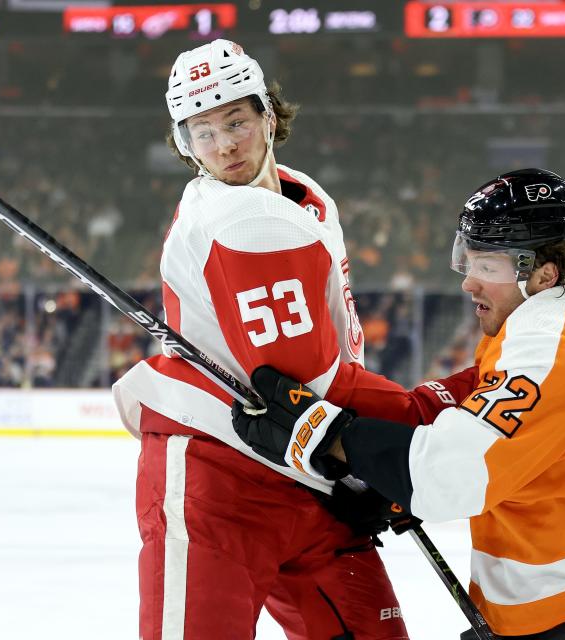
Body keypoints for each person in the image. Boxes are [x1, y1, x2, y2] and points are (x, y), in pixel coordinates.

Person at [111, 39, 477, 640]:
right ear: (184, 144)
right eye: (203, 132)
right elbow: (306, 383)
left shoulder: (299, 197)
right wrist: (414, 421)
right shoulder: (246, 222)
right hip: (219, 476)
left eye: (236, 120)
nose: (224, 143)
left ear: (269, 116)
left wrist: (352, 462)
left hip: (306, 471)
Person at [233, 169, 565, 639]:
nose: (468, 283)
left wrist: (329, 438)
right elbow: (503, 453)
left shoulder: (560, 345)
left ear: (543, 273)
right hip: (563, 609)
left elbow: (454, 474)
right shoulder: (554, 325)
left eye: (487, 268)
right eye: (466, 262)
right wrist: (386, 476)